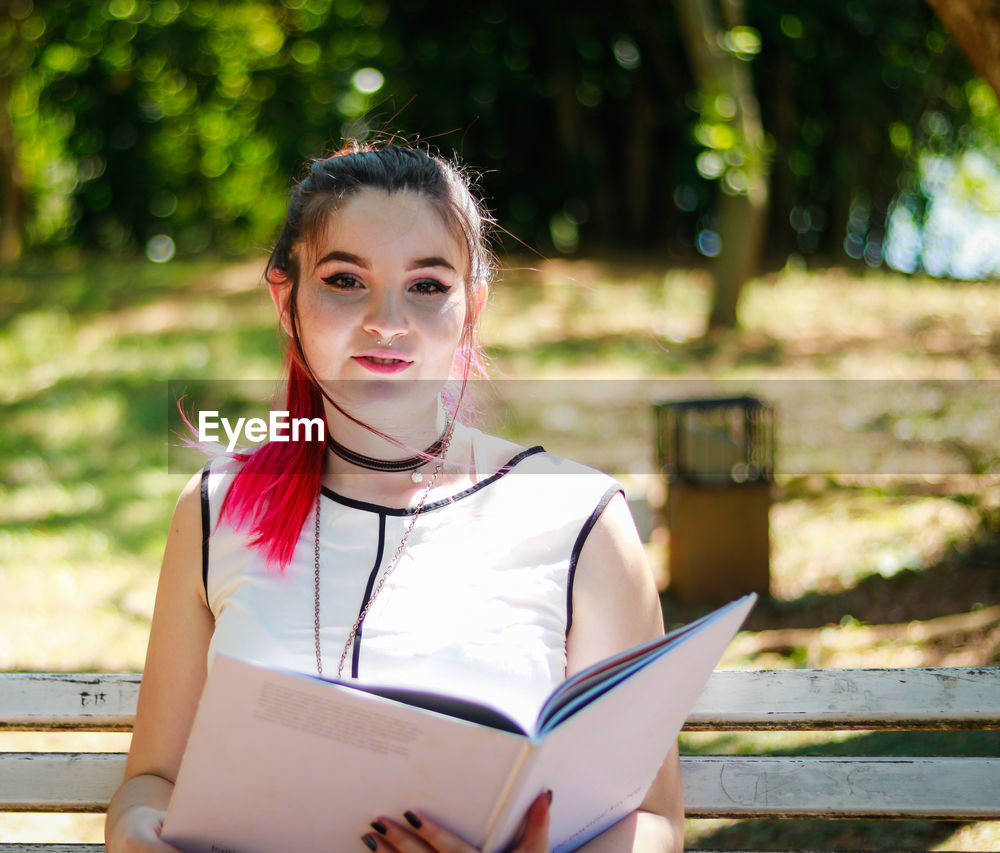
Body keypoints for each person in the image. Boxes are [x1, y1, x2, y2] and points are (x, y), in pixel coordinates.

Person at [104, 143, 684, 853]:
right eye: (345, 279)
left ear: (473, 303)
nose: (387, 321)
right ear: (285, 300)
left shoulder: (580, 518)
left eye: (428, 285)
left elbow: (652, 818)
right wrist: (138, 836)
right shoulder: (215, 509)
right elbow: (151, 780)